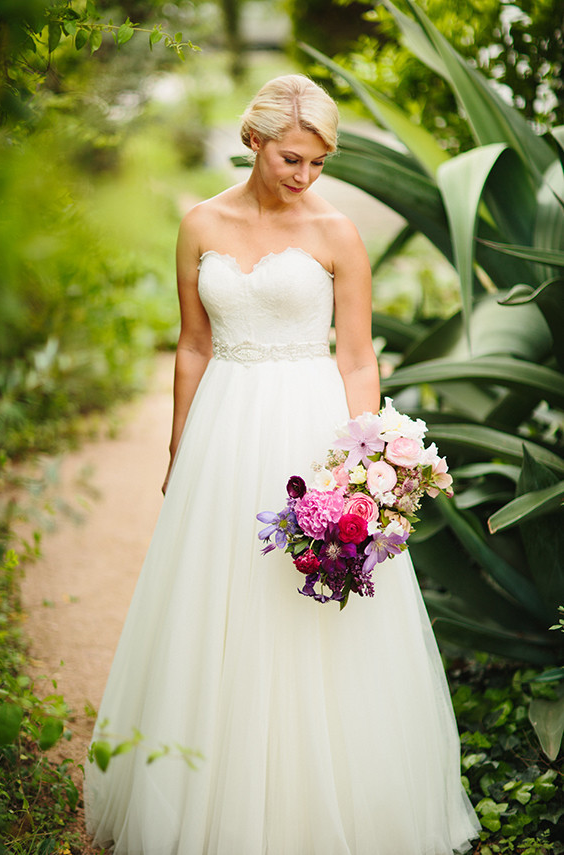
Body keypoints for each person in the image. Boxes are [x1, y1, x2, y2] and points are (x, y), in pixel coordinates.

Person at [84, 74, 480, 855]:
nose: (304, 176)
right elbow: (194, 344)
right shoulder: (200, 225)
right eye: (292, 158)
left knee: (308, 610)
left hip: (309, 429)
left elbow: (359, 359)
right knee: (215, 599)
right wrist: (177, 447)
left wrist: (359, 466)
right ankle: (207, 796)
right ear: (254, 141)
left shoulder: (337, 233)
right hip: (223, 430)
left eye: (318, 163)